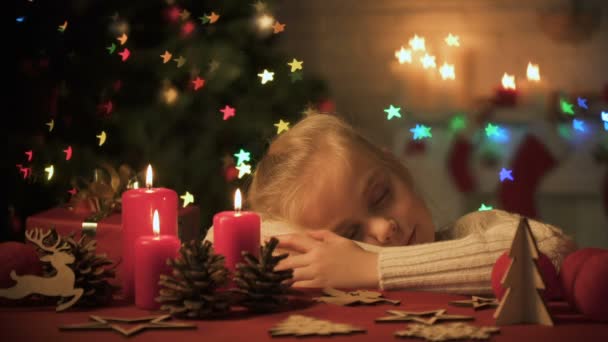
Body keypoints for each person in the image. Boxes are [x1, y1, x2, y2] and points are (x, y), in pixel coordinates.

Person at [204, 114, 576, 295]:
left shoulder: (474, 230)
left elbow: (550, 251)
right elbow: (223, 240)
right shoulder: (323, 270)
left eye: (381, 196)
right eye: (351, 233)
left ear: (397, 168)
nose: (384, 228)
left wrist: (371, 264)